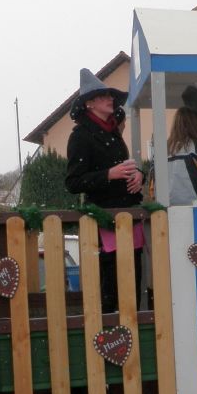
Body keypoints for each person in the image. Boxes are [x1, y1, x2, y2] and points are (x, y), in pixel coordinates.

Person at [65, 68, 144, 313]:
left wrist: (139, 175)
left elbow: (125, 167)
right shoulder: (80, 136)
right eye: (103, 96)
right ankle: (111, 332)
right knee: (111, 289)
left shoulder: (113, 131)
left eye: (110, 95)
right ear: (89, 104)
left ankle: (131, 329)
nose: (110, 99)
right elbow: (73, 182)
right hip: (104, 221)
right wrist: (109, 174)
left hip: (129, 216)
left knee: (133, 284)